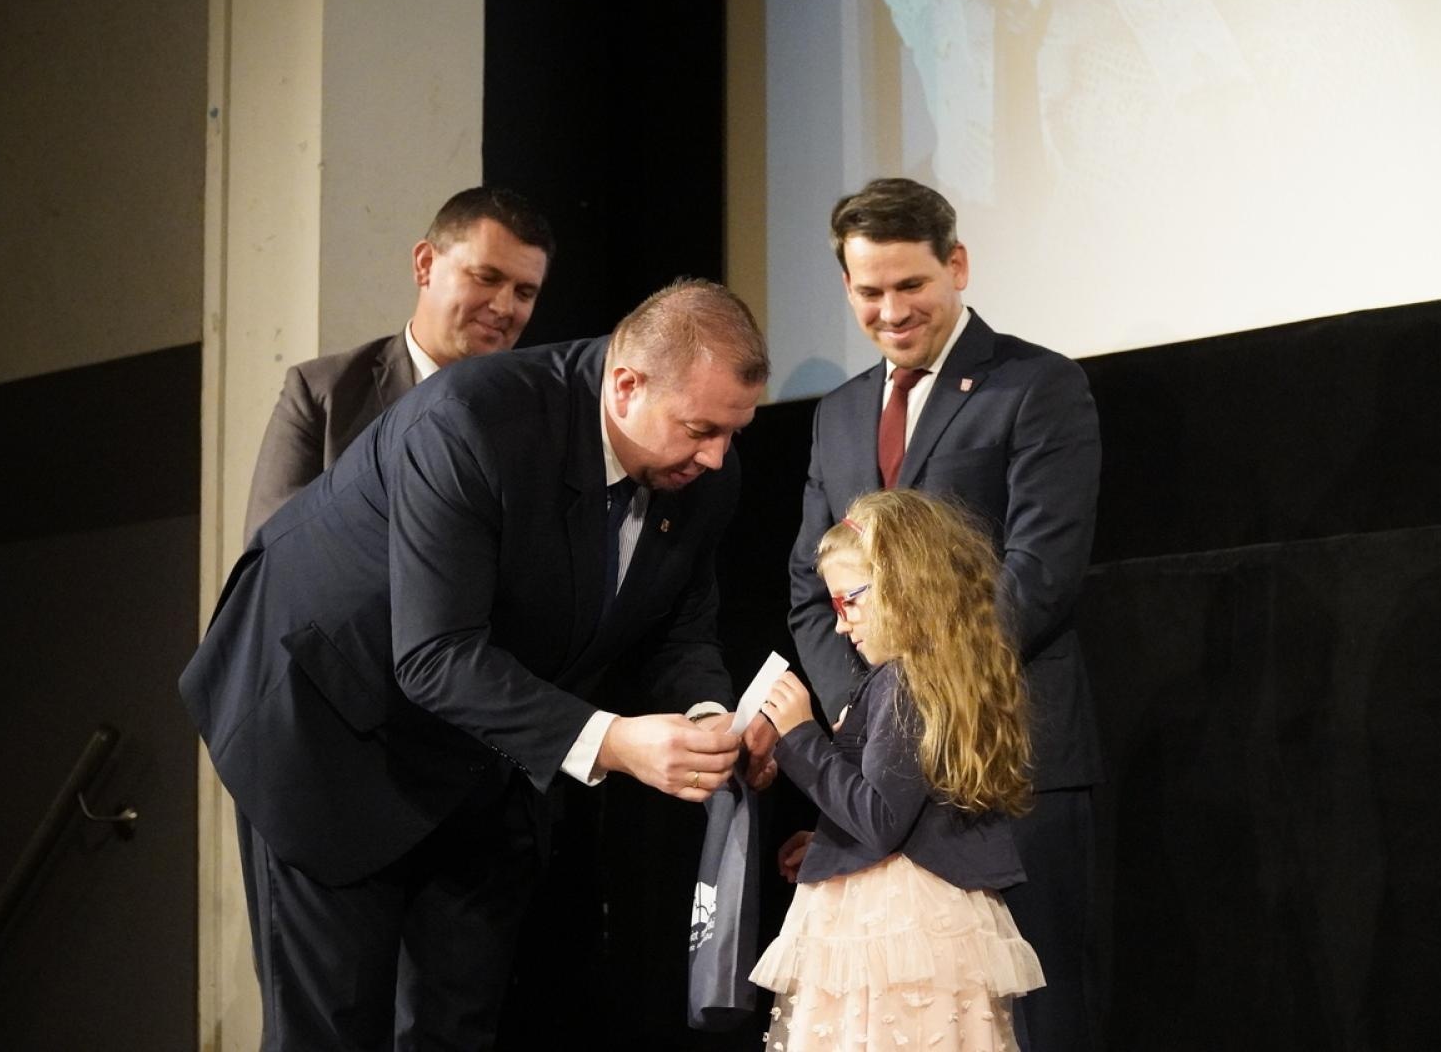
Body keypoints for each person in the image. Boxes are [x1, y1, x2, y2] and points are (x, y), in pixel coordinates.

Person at [181, 278, 769, 1050]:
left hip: (480, 753)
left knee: (455, 1027)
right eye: (701, 429)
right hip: (328, 732)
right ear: (625, 385)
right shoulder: (474, 422)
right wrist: (618, 743)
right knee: (333, 1027)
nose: (718, 456)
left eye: (735, 431)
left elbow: (678, 630)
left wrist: (705, 720)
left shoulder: (697, 470)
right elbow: (433, 655)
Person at [767, 177, 1102, 1051]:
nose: (891, 310)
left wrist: (928, 702)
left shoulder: (1036, 386)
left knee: (1035, 1018)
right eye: (869, 291)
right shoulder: (839, 414)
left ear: (956, 266)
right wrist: (861, 715)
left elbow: (1041, 570)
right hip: (881, 775)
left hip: (1002, 757)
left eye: (910, 285)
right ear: (845, 287)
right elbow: (813, 587)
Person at [750, 489, 1045, 1050]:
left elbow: (881, 818)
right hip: (925, 909)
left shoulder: (905, 682)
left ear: (903, 589)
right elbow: (913, 818)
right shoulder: (939, 677)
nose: (840, 626)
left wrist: (799, 735)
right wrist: (830, 845)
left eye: (849, 603)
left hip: (897, 926)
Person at [242, 185, 554, 539]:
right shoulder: (322, 392)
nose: (504, 307)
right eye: (486, 278)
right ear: (425, 265)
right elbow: (269, 548)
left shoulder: (543, 419)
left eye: (524, 293)